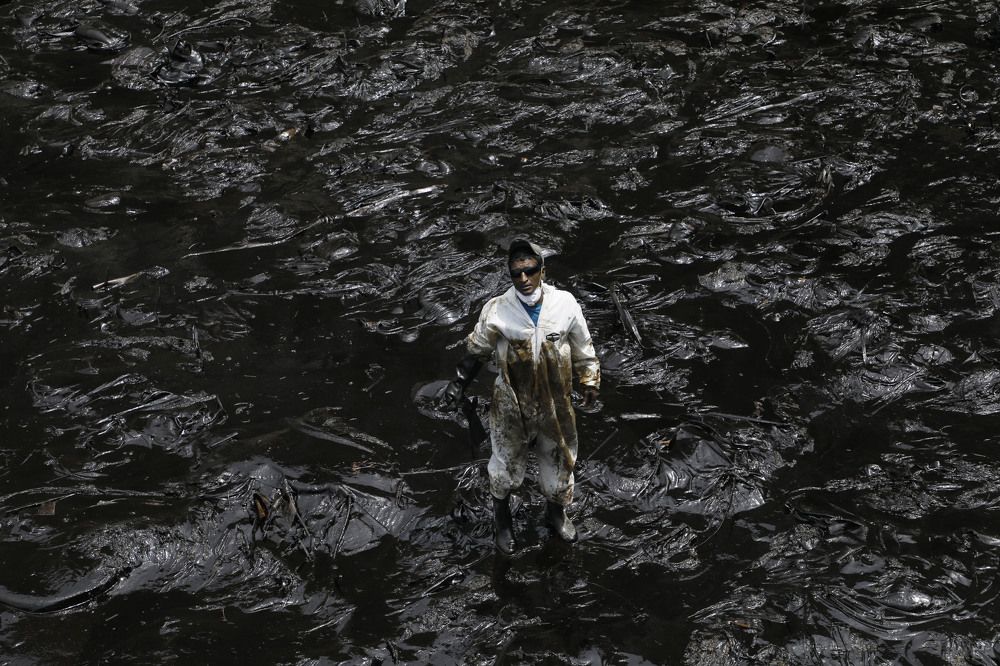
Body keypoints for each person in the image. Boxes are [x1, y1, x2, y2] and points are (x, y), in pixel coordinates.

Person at [443, 239, 600, 554]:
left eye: (530, 271)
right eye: (517, 274)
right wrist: (458, 382)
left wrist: (590, 380)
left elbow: (583, 346)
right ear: (511, 276)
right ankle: (503, 523)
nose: (524, 279)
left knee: (560, 459)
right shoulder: (498, 310)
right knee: (504, 465)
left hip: (556, 401)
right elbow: (477, 351)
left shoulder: (565, 304)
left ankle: (556, 514)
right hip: (511, 401)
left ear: (542, 270)